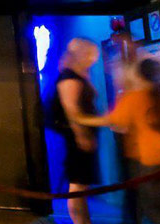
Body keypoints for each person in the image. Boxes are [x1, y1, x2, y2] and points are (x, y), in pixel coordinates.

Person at [73, 58, 160, 224]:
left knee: (155, 208)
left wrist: (81, 119)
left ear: (140, 76)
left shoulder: (135, 98)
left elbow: (112, 120)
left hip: (153, 162)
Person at [52, 38, 100, 224]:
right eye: (90, 52)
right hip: (77, 138)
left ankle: (83, 221)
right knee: (78, 185)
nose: (93, 57)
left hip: (80, 137)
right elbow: (72, 111)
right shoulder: (70, 77)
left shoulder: (76, 74)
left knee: (80, 185)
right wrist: (83, 135)